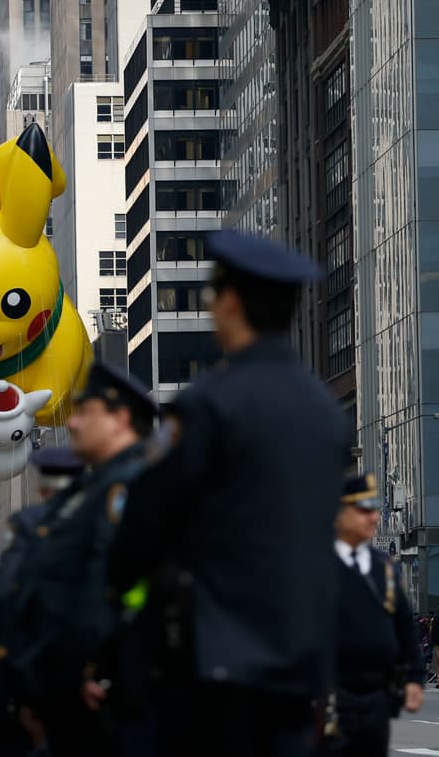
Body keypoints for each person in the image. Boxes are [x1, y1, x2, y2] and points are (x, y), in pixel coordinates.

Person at [108, 229, 352, 756]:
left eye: (213, 296)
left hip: (216, 662)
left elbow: (142, 528)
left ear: (233, 302)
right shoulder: (327, 414)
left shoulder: (207, 406)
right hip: (302, 661)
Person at [0, 364, 159, 757]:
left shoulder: (133, 485)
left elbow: (132, 588)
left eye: (85, 412)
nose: (74, 424)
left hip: (114, 692)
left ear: (121, 418)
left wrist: (100, 671)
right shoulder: (101, 489)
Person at [0, 445, 86, 757]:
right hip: (87, 678)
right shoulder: (105, 523)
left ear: (42, 488)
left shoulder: (28, 527)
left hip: (26, 681)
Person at [324, 475, 423, 757]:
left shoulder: (384, 568)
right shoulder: (315, 566)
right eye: (363, 511)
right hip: (330, 695)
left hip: (377, 697)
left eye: (374, 510)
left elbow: (405, 626)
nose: (373, 518)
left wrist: (415, 678)